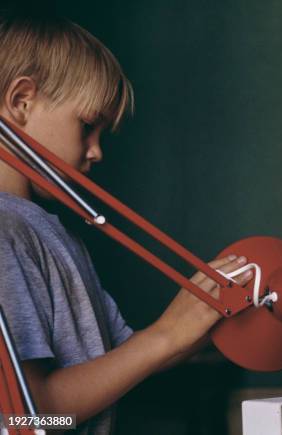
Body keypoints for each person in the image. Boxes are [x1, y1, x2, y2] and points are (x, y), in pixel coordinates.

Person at [0, 11, 251, 434]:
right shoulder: (6, 232)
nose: (96, 152)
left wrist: (223, 320)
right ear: (22, 101)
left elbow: (122, 362)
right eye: (88, 126)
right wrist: (167, 335)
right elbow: (31, 414)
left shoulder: (49, 229)